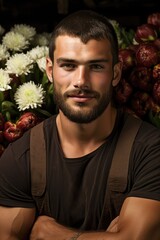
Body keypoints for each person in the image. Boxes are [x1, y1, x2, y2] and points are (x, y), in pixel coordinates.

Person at [0, 10, 160, 240]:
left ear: (115, 73)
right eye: (68, 65)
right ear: (50, 70)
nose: (81, 81)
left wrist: (53, 234)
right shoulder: (21, 159)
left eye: (95, 66)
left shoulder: (149, 150)